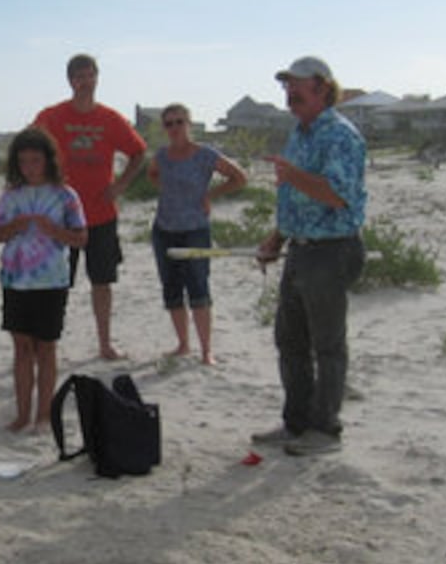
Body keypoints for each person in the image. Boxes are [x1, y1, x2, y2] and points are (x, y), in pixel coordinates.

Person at [253, 56, 367, 457]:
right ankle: (296, 422)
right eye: (286, 86)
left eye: (297, 86)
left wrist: (292, 175)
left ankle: (325, 429)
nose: (290, 93)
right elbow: (295, 199)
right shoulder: (299, 134)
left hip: (332, 250)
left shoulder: (340, 135)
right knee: (290, 340)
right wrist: (275, 239)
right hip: (301, 249)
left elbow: (338, 195)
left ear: (322, 88)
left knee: (327, 344)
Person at [34, 53, 147, 359]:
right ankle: (47, 342)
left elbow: (138, 153)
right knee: (57, 283)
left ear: (97, 77)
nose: (84, 82)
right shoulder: (52, 116)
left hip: (100, 214)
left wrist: (121, 185)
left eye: (89, 75)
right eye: (79, 77)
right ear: (70, 81)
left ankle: (104, 343)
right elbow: (30, 150)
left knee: (102, 281)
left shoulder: (110, 119)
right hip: (60, 216)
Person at [0, 126, 87, 432]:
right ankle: (22, 414)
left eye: (35, 160)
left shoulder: (65, 195)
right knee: (21, 347)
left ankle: (44, 414)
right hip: (15, 280)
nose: (30, 167)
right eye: (23, 161)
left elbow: (81, 238)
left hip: (52, 281)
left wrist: (53, 230)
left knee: (46, 348)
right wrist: (15, 226)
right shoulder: (11, 196)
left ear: (48, 160)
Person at [148, 103, 248, 364]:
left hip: (194, 230)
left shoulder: (204, 154)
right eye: (169, 124)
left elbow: (239, 177)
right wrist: (170, 194)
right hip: (164, 230)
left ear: (189, 124)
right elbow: (152, 175)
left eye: (179, 122)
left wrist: (209, 195)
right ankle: (183, 344)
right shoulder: (161, 155)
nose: (175, 128)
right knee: (171, 289)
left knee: (198, 289)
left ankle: (206, 350)